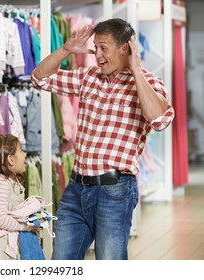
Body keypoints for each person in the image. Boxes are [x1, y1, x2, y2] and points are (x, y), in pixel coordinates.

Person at [31, 18, 175, 260]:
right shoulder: (88, 76)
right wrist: (66, 49)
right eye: (95, 47)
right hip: (76, 189)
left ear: (124, 48)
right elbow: (39, 78)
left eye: (103, 47)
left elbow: (160, 120)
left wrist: (136, 70)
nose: (97, 54)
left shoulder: (149, 82)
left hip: (114, 192)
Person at [0, 134, 45, 260]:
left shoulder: (11, 181)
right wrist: (27, 226)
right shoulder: (2, 182)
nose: (25, 155)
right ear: (10, 159)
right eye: (21, 151)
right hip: (4, 247)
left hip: (11, 243)